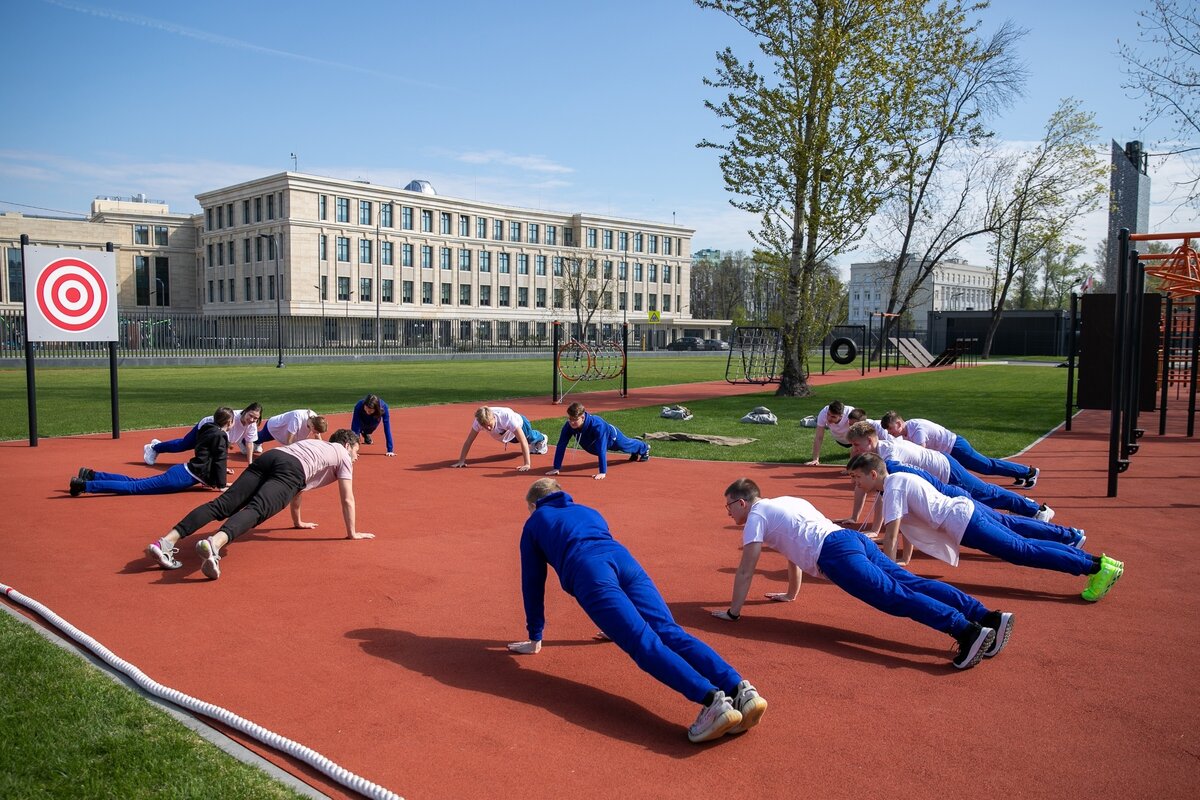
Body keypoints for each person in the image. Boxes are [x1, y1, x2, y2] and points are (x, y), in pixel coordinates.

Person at [508, 478, 767, 743]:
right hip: (624, 561)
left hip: (588, 572)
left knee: (643, 643)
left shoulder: (535, 522)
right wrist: (613, 624)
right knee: (669, 630)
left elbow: (532, 581)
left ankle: (712, 702)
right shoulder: (588, 510)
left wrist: (535, 635)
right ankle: (741, 690)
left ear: (533, 505)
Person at [715, 478, 1008, 670]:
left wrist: (733, 613)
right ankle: (986, 616)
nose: (728, 513)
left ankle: (966, 631)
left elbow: (746, 568)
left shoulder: (756, 516)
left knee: (895, 597)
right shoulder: (786, 502)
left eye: (728, 506)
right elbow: (792, 551)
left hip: (835, 555)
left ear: (742, 502)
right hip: (851, 540)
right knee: (909, 583)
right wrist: (791, 593)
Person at [846, 453, 1124, 603]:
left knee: (1022, 550)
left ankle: (1096, 568)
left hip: (965, 521)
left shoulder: (893, 486)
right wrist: (900, 560)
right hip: (965, 513)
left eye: (857, 478)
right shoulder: (896, 482)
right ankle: (1099, 563)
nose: (856, 485)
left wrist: (886, 570)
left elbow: (892, 533)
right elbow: (905, 530)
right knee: (1022, 544)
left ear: (873, 474)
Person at [143, 429, 374, 580]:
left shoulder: (315, 445)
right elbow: (347, 498)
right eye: (357, 450)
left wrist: (298, 521)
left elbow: (298, 491)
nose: (357, 456)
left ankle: (165, 541)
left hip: (272, 458)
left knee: (221, 504)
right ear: (347, 444)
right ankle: (214, 544)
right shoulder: (342, 455)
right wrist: (352, 533)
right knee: (256, 510)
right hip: (292, 472)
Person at [845, 421, 1054, 522]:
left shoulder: (889, 454)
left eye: (856, 445)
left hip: (946, 469)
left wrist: (874, 527)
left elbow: (887, 491)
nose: (854, 450)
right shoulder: (875, 456)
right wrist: (856, 518)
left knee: (986, 494)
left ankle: (1036, 509)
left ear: (871, 440)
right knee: (980, 499)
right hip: (938, 474)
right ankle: (1024, 511)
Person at [71, 408, 235, 497]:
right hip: (181, 477)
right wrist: (221, 485)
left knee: (134, 482)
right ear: (229, 422)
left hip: (181, 471)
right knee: (134, 487)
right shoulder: (220, 435)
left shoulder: (209, 428)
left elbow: (210, 458)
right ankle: (84, 485)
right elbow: (219, 459)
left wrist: (220, 479)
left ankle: (91, 474)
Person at [881, 411, 1040, 488]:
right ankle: (1019, 473)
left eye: (890, 429)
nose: (890, 433)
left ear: (899, 423)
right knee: (983, 467)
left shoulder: (917, 429)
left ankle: (1028, 471)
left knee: (985, 466)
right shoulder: (906, 433)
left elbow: (920, 453)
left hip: (956, 447)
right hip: (949, 452)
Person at [548, 402, 650, 481]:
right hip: (591, 443)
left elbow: (602, 448)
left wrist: (602, 472)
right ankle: (635, 451)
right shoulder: (568, 425)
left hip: (612, 437)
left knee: (626, 445)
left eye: (575, 419)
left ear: (582, 417)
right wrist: (556, 467)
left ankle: (645, 448)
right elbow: (561, 445)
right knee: (622, 448)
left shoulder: (597, 425)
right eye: (570, 419)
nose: (571, 422)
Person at [144, 403, 262, 465]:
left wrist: (250, 463)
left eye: (255, 418)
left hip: (217, 434)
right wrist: (221, 465)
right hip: (207, 427)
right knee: (184, 445)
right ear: (245, 411)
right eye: (250, 415)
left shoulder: (252, 424)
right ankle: (153, 448)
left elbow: (249, 443)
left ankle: (157, 445)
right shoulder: (233, 418)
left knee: (186, 446)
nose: (252, 419)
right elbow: (222, 443)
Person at [451, 406, 548, 472]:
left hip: (521, 424)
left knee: (528, 438)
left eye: (489, 424)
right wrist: (461, 461)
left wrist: (527, 464)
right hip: (505, 435)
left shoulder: (506, 417)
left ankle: (542, 438)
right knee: (515, 441)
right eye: (484, 426)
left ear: (493, 417)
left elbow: (522, 440)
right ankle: (533, 445)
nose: (488, 428)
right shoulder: (478, 421)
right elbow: (469, 441)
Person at [803, 400, 856, 466]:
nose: (829, 418)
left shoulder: (852, 413)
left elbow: (859, 435)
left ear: (841, 416)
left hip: (853, 438)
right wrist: (815, 459)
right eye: (828, 414)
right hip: (840, 439)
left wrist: (851, 465)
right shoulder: (823, 412)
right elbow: (819, 437)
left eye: (833, 416)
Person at [255, 409, 327, 447]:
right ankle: (245, 439)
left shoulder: (315, 419)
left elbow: (318, 438)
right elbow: (289, 441)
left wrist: (322, 448)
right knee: (257, 438)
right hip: (275, 427)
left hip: (285, 431)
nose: (316, 433)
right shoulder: (297, 419)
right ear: (313, 426)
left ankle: (258, 443)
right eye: (316, 431)